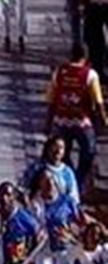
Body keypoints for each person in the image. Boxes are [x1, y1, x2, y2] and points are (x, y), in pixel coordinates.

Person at [47, 48, 105, 192]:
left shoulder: (59, 72)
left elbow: (51, 100)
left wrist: (48, 122)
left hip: (61, 120)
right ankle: (77, 182)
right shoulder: (90, 75)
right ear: (85, 58)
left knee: (61, 154)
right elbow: (98, 102)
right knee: (89, 151)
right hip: (82, 121)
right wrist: (104, 120)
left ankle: (70, 179)